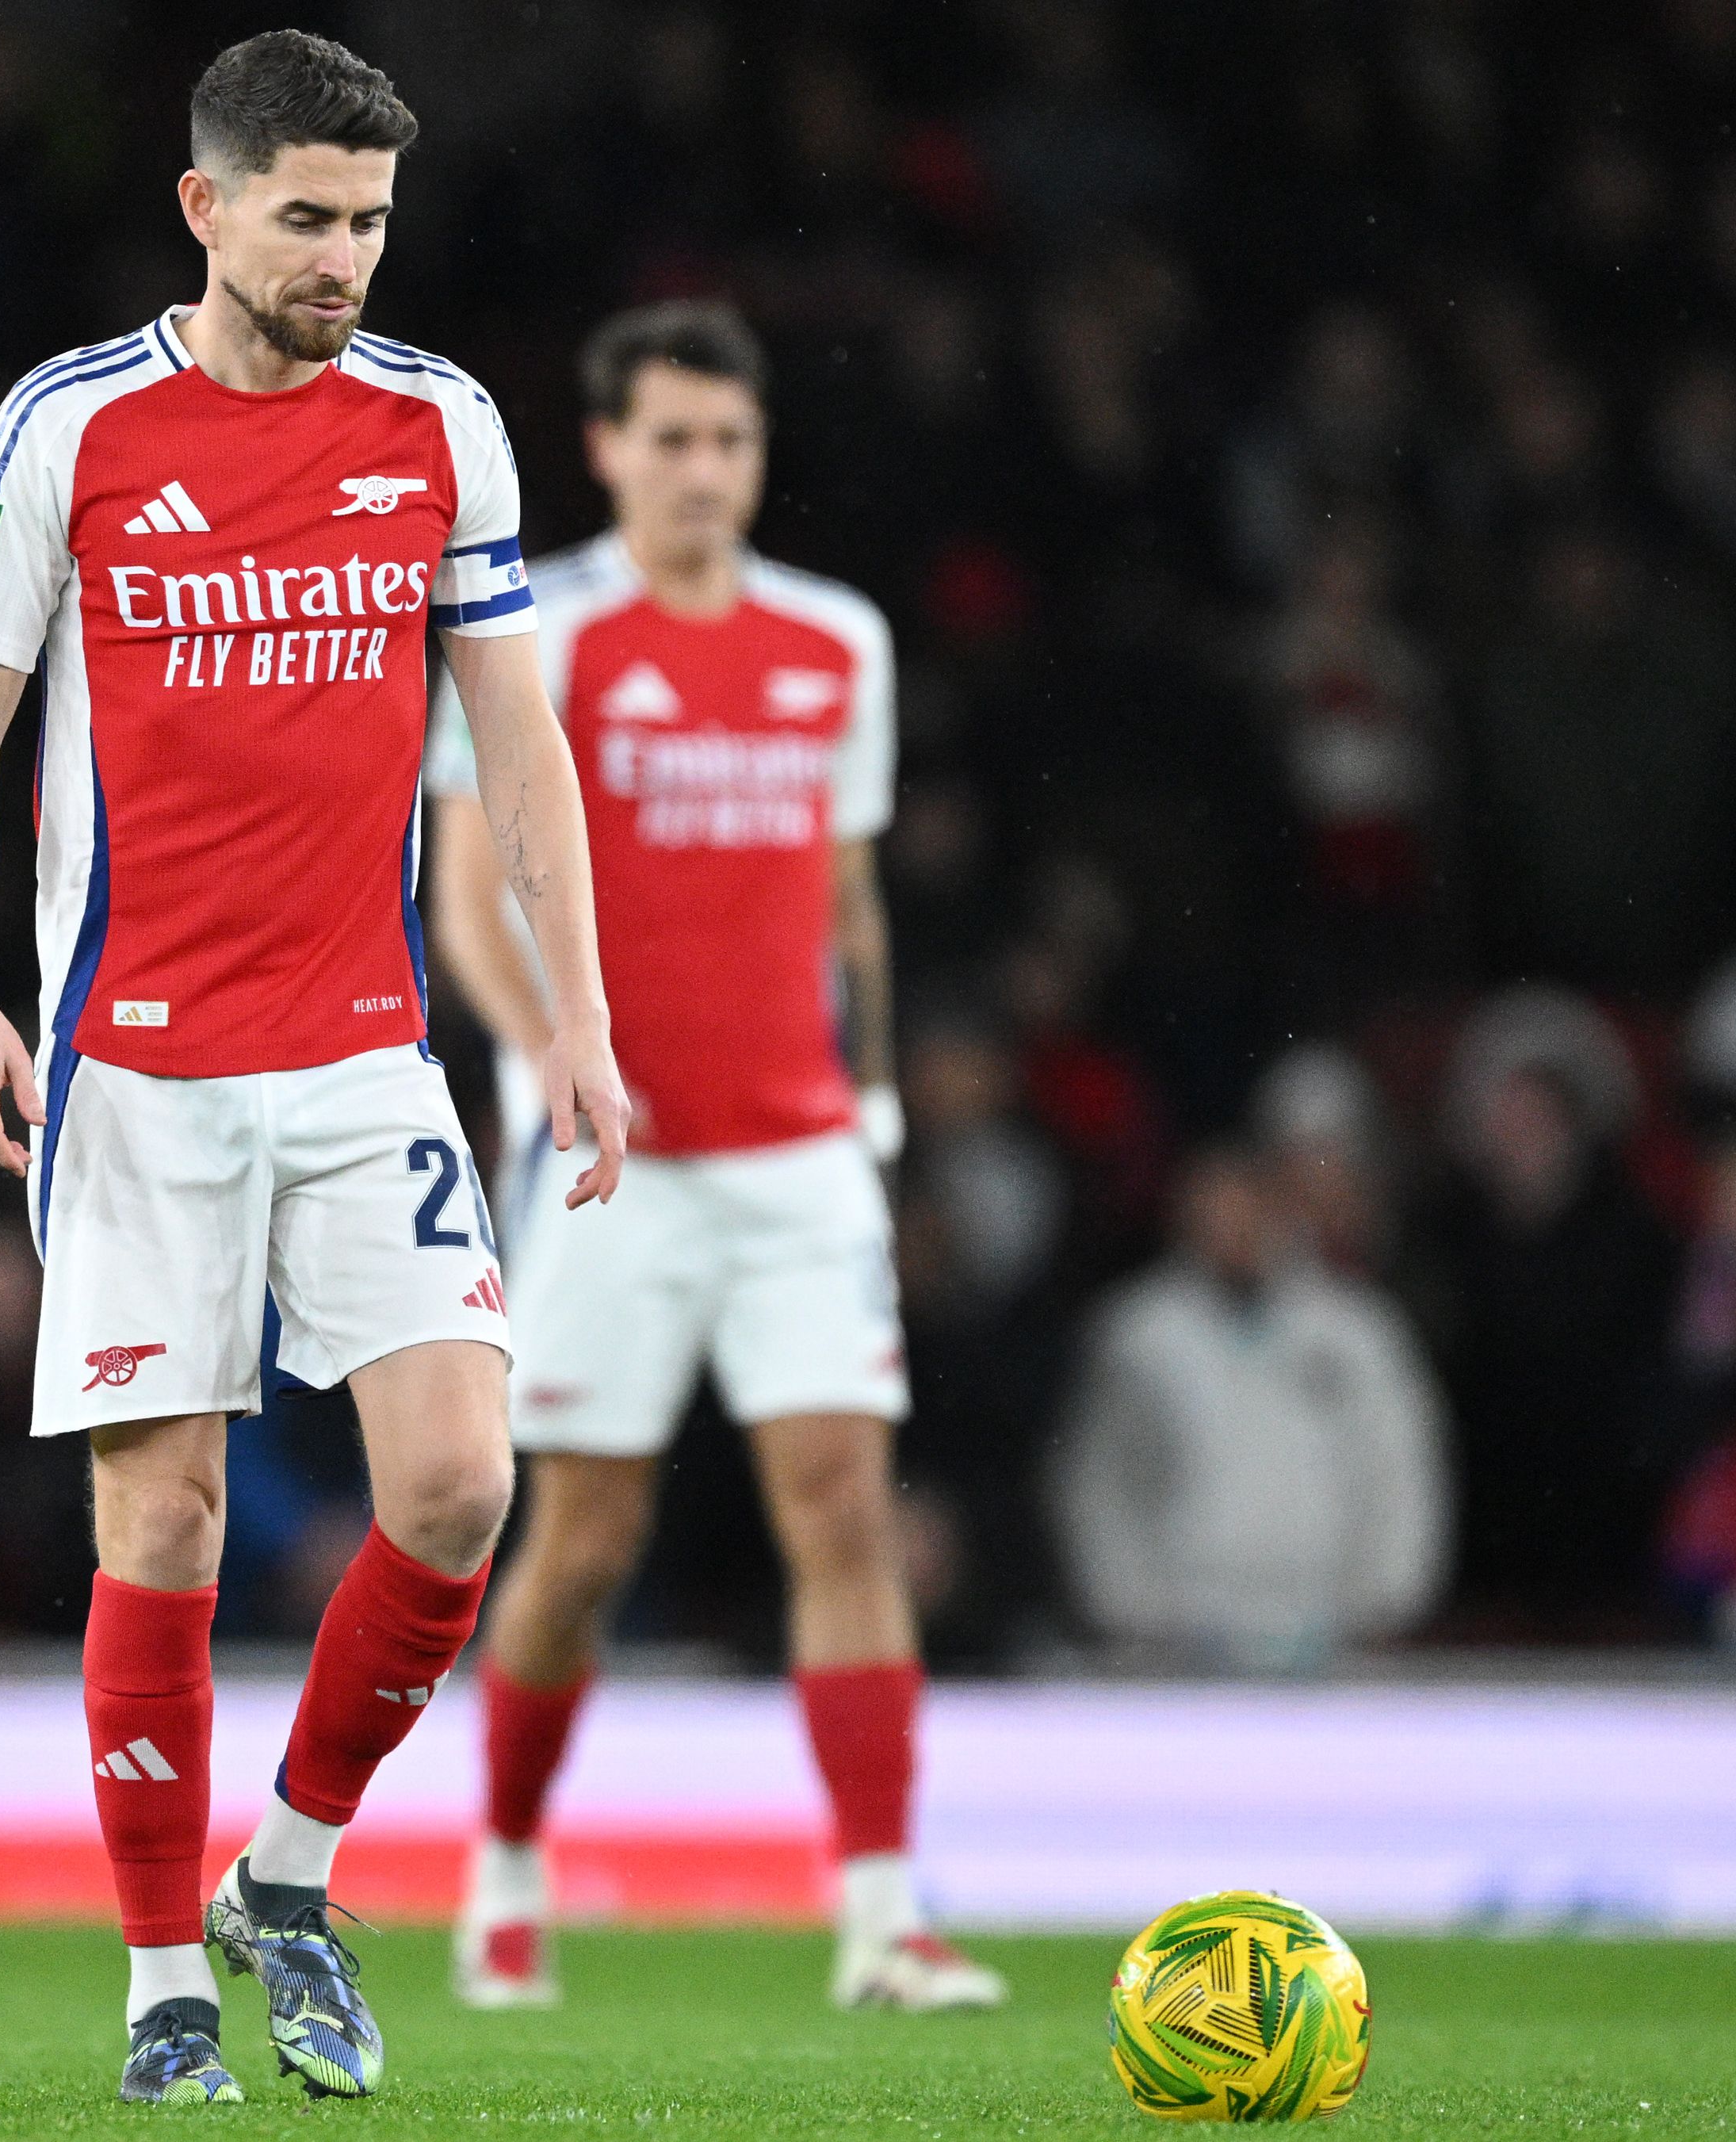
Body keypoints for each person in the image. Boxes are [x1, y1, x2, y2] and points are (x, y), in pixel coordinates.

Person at [0, 30, 629, 2107]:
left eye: (371, 219)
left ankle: (284, 1869)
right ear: (205, 208)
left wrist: (574, 1013)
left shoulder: (439, 425)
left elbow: (514, 737)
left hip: (361, 1050)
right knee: (168, 1521)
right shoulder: (69, 427)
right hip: (129, 1067)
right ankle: (159, 1975)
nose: (342, 258)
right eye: (305, 217)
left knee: (462, 1480)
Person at [415, 300, 1004, 2016]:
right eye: (667, 438)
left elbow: (848, 903)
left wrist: (875, 1101)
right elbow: (468, 889)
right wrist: (550, 1069)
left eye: (728, 442)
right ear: (602, 450)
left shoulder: (837, 642)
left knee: (842, 1505)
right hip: (613, 1164)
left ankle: (884, 1916)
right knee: (584, 1538)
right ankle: (506, 1865)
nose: (700, 471)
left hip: (797, 1151)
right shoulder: (551, 633)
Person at [1053, 1145, 1451, 1668]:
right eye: (1214, 1213)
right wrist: (1131, 1614)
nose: (1231, 1229)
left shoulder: (1355, 1330)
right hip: (1179, 1641)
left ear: (1277, 1211)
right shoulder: (1140, 1336)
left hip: (1331, 1635)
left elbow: (1398, 1469)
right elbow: (1101, 1485)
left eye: (1245, 1209)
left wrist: (1388, 1602)